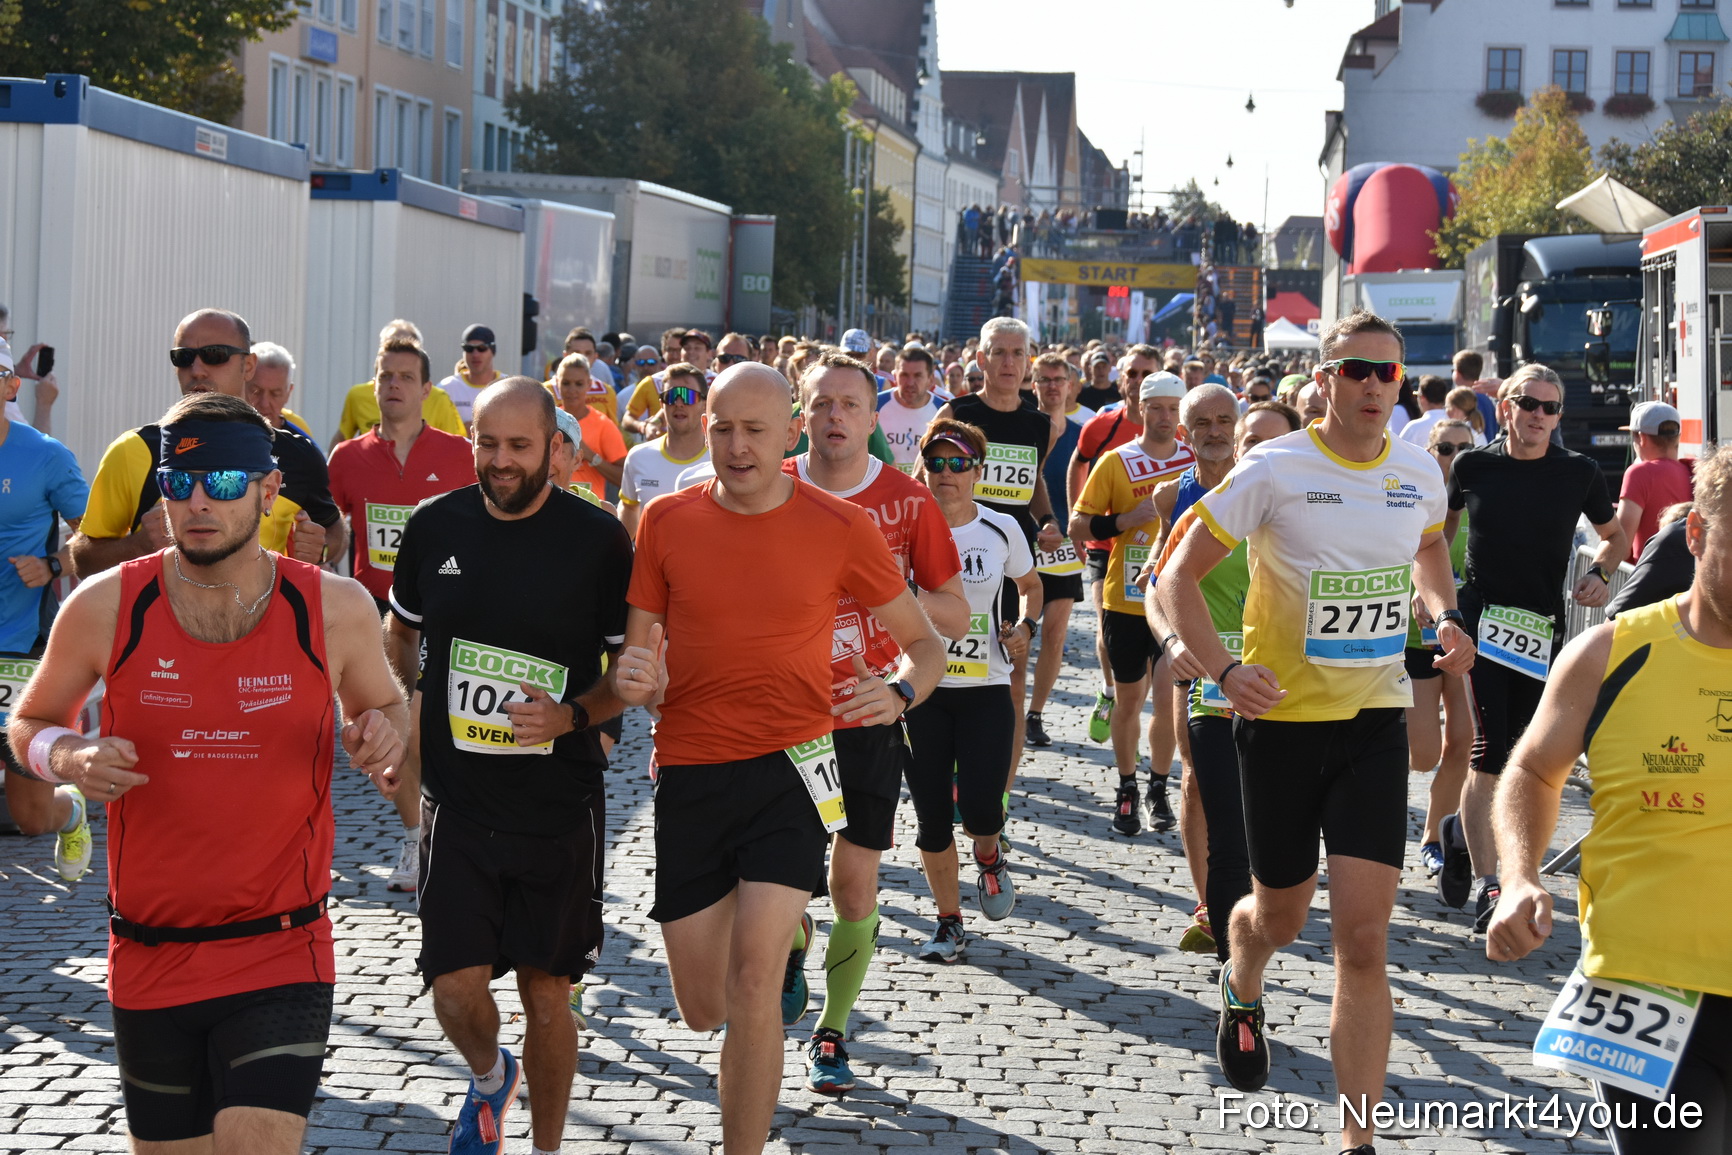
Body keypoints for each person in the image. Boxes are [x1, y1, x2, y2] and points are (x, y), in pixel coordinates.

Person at [7, 390, 407, 1155]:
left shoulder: (333, 607)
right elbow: (24, 722)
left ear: (268, 490)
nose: (196, 502)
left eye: (223, 484)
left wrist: (385, 731)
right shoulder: (103, 606)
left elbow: (388, 705)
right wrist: (67, 755)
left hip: (282, 945)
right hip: (149, 951)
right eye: (177, 483)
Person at [1157, 310, 1476, 1155]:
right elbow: (1176, 573)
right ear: (1324, 379)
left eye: (1390, 374)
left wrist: (1443, 615)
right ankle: (1244, 971)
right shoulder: (1276, 468)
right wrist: (1224, 670)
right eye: (1358, 370)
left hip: (1373, 718)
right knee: (1282, 916)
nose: (1375, 385)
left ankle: (1356, 1138)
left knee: (1364, 938)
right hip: (1281, 723)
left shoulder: (1418, 472)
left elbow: (1430, 552)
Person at [616, 363, 944, 1155]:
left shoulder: (839, 526)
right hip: (692, 767)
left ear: (790, 432)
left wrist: (899, 694)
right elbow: (638, 660)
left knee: (757, 981)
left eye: (754, 429)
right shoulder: (664, 521)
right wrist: (641, 682)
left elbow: (926, 644)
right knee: (703, 1003)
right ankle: (771, 929)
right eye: (722, 426)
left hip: (794, 767)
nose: (734, 445)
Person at [385, 377, 634, 1155]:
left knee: (547, 994)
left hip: (558, 804)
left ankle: (546, 1147)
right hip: (458, 801)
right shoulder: (435, 525)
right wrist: (411, 701)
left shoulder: (598, 540)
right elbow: (403, 635)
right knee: (455, 990)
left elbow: (627, 674)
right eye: (485, 444)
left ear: (557, 449)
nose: (499, 460)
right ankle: (492, 1075)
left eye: (518, 446)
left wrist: (573, 716)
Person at [1486, 446, 1732, 1155]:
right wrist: (1521, 877)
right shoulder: (1612, 654)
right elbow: (1531, 770)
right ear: (1696, 535)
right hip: (1645, 986)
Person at [779, 353, 966, 1096]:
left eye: (849, 405)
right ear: (802, 413)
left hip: (866, 714)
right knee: (777, 883)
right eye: (821, 403)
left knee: (853, 888)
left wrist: (893, 654)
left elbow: (952, 610)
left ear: (871, 415)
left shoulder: (905, 501)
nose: (834, 417)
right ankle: (790, 939)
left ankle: (832, 1030)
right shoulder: (772, 482)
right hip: (780, 715)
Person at [1441, 364, 1627, 932]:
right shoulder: (1473, 465)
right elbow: (1440, 537)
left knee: (1529, 752)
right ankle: (1493, 883)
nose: (1538, 416)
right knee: (1491, 748)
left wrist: (1600, 570)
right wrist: (1440, 607)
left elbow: (1615, 536)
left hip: (1542, 627)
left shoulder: (1580, 472)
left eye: (1549, 408)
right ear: (1506, 409)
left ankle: (1456, 831)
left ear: (1559, 417)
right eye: (1528, 404)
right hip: (1482, 620)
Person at [1149, 396, 1299, 958]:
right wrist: (1175, 642)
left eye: (1269, 441)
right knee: (1202, 784)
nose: (1256, 451)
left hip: (1292, 682)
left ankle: (1269, 896)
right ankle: (1215, 908)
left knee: (1275, 803)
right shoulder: (1197, 507)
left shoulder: (1317, 509)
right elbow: (1158, 586)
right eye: (1249, 443)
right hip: (1213, 673)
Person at [326, 338, 476, 891]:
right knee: (392, 732)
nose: (393, 385)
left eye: (404, 377)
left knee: (443, 732)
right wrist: (325, 539)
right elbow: (334, 526)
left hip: (444, 615)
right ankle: (417, 840)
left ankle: (455, 835)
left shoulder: (458, 454)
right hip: (374, 618)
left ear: (425, 389)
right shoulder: (346, 458)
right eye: (384, 375)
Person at [905, 419, 1041, 962]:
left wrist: (1026, 627)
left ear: (978, 472)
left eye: (958, 464)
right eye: (935, 463)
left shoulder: (1000, 528)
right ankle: (948, 922)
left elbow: (1031, 586)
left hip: (985, 685)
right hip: (920, 688)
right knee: (932, 816)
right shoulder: (904, 529)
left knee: (983, 808)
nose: (946, 474)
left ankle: (989, 856)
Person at [69, 309, 341, 579]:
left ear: (248, 366)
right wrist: (137, 545)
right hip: (163, 621)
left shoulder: (297, 452)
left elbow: (335, 532)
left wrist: (321, 549)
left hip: (266, 619)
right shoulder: (133, 449)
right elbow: (82, 560)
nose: (197, 370)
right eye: (184, 358)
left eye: (215, 356)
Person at [934, 318, 1065, 798]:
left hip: (1010, 567)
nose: (1008, 362)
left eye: (1017, 353)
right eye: (998, 352)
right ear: (981, 359)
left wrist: (1049, 518)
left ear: (1029, 360)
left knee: (1010, 687)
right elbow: (927, 472)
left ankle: (998, 797)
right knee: (943, 678)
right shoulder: (957, 411)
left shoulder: (1038, 422)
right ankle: (946, 774)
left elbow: (1033, 483)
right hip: (952, 564)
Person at [1070, 370, 1194, 835]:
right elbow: (1078, 525)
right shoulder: (1116, 462)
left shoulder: (1195, 461)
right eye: (1156, 407)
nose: (1165, 417)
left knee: (1167, 697)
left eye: (1172, 408)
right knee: (1128, 701)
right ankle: (1127, 785)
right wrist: (1124, 519)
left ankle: (1159, 787)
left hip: (1178, 598)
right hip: (1125, 600)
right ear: (1140, 408)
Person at [0, 335, 89, 879]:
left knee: (30, 817)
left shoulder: (46, 457)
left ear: (11, 385)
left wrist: (54, 565)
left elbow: (97, 539)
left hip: (19, 644)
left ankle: (71, 807)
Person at [1069, 348, 1166, 742]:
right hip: (1105, 546)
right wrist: (1075, 517)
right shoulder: (1102, 426)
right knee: (1107, 634)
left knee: (1150, 649)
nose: (1139, 380)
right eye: (1133, 373)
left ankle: (1129, 714)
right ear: (1121, 378)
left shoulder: (1174, 435)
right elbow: (1079, 464)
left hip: (1156, 552)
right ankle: (1111, 694)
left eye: (1148, 373)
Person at [1408, 420, 1475, 881]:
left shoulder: (1483, 504)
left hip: (1470, 637)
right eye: (1447, 447)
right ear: (1432, 451)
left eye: (1466, 448)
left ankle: (1435, 837)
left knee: (1465, 742)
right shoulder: (1414, 499)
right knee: (1423, 755)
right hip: (1418, 639)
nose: (1456, 455)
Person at [1025, 354, 1090, 747]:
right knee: (1019, 629)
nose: (1052, 386)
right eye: (1045, 380)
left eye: (1059, 380)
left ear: (1071, 386)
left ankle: (1035, 713)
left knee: (1055, 632)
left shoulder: (1083, 433)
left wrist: (1083, 534)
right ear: (1034, 386)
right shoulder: (1024, 427)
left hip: (1064, 543)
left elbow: (1090, 487)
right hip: (1022, 540)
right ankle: (1012, 702)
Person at [333, 320, 467, 445]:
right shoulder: (357, 395)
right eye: (391, 345)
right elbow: (342, 438)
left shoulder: (440, 398)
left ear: (425, 390)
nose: (394, 384)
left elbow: (455, 444)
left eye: (407, 377)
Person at [617, 363, 712, 539]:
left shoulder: (720, 460)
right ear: (662, 404)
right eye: (671, 396)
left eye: (687, 396)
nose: (678, 403)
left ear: (704, 404)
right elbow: (629, 508)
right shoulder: (638, 457)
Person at [1616, 400, 1693, 564]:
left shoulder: (1639, 474)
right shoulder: (1691, 471)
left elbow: (1620, 547)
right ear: (1678, 437)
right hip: (1688, 579)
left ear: (1642, 438)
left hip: (1650, 580)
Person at [549, 353, 628, 497]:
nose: (572, 390)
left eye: (579, 384)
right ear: (557, 383)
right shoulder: (548, 420)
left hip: (590, 511)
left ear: (589, 384)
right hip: (551, 505)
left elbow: (626, 478)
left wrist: (592, 457)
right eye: (566, 383)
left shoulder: (603, 425)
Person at [876, 345, 948, 474]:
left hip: (925, 490)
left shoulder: (944, 410)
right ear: (895, 376)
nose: (910, 383)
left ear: (930, 379)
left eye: (918, 376)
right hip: (883, 489)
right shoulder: (875, 405)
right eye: (904, 375)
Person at [244, 342, 315, 439]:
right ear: (241, 385)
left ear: (288, 393)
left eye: (275, 394)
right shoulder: (223, 430)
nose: (264, 403)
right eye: (255, 391)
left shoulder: (299, 434)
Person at [439, 324, 505, 427]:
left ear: (493, 351)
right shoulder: (447, 388)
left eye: (482, 348)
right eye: (469, 348)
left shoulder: (507, 386)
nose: (475, 354)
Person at [1396, 374, 1453, 446]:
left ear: (1422, 397)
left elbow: (1399, 450)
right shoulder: (1455, 422)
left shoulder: (1414, 427)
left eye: (1417, 395)